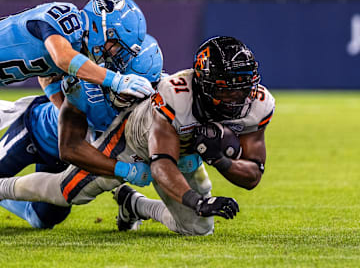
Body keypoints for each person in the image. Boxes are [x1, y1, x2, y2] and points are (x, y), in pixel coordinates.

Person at [0, 36, 275, 236]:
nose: (238, 98)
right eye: (227, 90)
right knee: (66, 192)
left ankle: (134, 204)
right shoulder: (174, 96)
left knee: (197, 227)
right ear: (204, 84)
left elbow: (253, 174)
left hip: (185, 149)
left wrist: (221, 160)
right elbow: (161, 164)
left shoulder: (258, 104)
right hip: (134, 139)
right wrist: (195, 200)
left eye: (243, 88)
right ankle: (3, 188)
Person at [0, 34, 163, 229]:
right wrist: (127, 171)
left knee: (41, 220)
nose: (131, 95)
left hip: (69, 158)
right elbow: (70, 148)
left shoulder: (154, 98)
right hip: (38, 134)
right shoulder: (86, 83)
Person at [0, 0, 154, 101]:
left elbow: (48, 75)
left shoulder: (76, 47)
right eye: (116, 45)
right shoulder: (67, 16)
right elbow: (63, 58)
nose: (114, 53)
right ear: (101, 26)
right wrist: (117, 80)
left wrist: (62, 113)